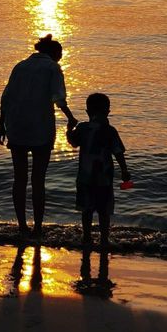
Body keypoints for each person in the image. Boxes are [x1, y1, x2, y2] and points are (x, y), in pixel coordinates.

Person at [0, 34, 77, 237]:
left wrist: (1, 125)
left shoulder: (20, 66)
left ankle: (22, 226)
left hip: (16, 126)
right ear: (54, 53)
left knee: (20, 178)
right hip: (41, 128)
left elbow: (6, 97)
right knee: (38, 180)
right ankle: (38, 227)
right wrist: (70, 117)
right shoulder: (52, 67)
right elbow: (58, 97)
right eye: (59, 54)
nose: (60, 58)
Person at [67, 92, 131, 248]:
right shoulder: (110, 131)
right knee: (104, 211)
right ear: (108, 111)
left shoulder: (82, 128)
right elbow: (118, 153)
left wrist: (69, 129)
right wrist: (124, 171)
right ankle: (104, 239)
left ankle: (87, 237)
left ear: (88, 112)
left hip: (85, 178)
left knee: (86, 211)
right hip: (104, 178)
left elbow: (73, 142)